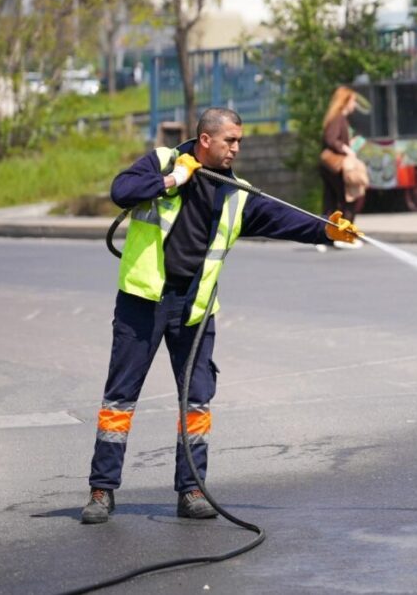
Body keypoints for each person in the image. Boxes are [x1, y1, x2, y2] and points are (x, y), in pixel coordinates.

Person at [81, 107, 359, 524]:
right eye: (230, 140)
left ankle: (192, 490)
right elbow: (122, 191)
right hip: (144, 301)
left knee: (196, 402)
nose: (236, 148)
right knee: (120, 397)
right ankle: (102, 491)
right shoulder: (162, 162)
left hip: (194, 307)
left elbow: (278, 218)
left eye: (239, 142)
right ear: (206, 140)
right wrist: (176, 179)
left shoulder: (236, 192)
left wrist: (325, 230)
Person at [319, 86, 369, 248]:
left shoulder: (337, 118)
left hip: (329, 166)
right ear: (345, 101)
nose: (354, 105)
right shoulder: (338, 117)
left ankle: (324, 237)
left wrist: (350, 144)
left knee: (331, 202)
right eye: (353, 101)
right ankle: (343, 237)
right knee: (350, 199)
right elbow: (331, 139)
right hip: (336, 167)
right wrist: (346, 149)